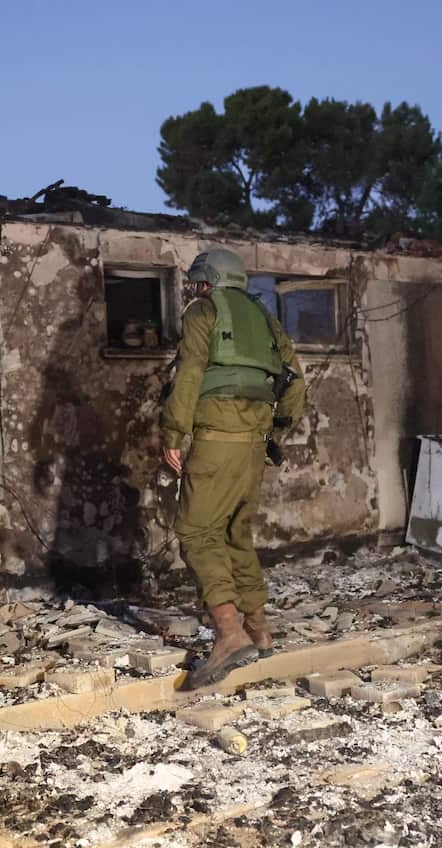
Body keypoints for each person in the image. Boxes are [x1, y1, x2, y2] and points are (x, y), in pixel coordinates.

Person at [160, 246, 305, 690]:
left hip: (215, 442)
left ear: (208, 281)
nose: (193, 289)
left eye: (196, 281)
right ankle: (259, 630)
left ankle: (228, 632)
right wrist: (275, 434)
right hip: (253, 446)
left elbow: (188, 375)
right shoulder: (265, 317)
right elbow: (294, 380)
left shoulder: (204, 312)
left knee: (196, 532)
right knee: (236, 534)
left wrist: (172, 434)